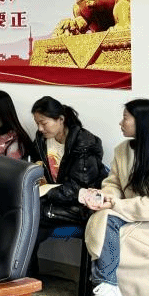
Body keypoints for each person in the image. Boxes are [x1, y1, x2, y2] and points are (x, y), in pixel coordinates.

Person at [80, 99, 149, 296]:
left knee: (108, 225)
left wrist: (116, 205)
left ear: (142, 122)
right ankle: (111, 292)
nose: (121, 123)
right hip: (127, 213)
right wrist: (105, 198)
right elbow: (113, 184)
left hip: (146, 217)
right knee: (102, 216)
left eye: (126, 118)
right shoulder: (122, 150)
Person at [30, 96, 105, 274]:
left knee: (26, 218)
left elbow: (78, 189)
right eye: (37, 123)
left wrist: (44, 191)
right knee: (22, 219)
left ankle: (23, 278)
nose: (40, 129)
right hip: (51, 202)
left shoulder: (84, 143)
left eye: (44, 123)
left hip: (79, 206)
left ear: (61, 119)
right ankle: (23, 278)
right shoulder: (41, 139)